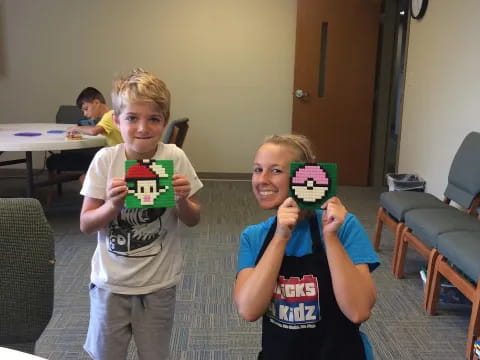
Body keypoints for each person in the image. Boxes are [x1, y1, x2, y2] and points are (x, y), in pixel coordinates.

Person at [79, 69, 203, 360]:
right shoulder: (106, 160)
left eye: (154, 119)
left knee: (155, 355)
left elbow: (194, 218)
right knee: (106, 354)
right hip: (110, 284)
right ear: (117, 120)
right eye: (132, 118)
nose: (142, 128)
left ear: (163, 121)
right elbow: (86, 224)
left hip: (158, 284)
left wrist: (182, 200)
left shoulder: (174, 157)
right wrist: (112, 207)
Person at [234, 134, 380, 360]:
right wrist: (280, 238)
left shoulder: (344, 227)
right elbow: (248, 310)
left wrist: (330, 237)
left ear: (304, 176)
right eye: (257, 169)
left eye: (275, 171)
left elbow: (359, 311)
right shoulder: (254, 237)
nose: (261, 179)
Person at [46, 87, 123, 187]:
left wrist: (76, 128)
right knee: (85, 177)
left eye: (86, 109)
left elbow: (93, 131)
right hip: (118, 158)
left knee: (85, 179)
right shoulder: (112, 115)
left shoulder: (108, 116)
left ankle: (97, 202)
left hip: (118, 161)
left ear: (96, 103)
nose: (85, 114)